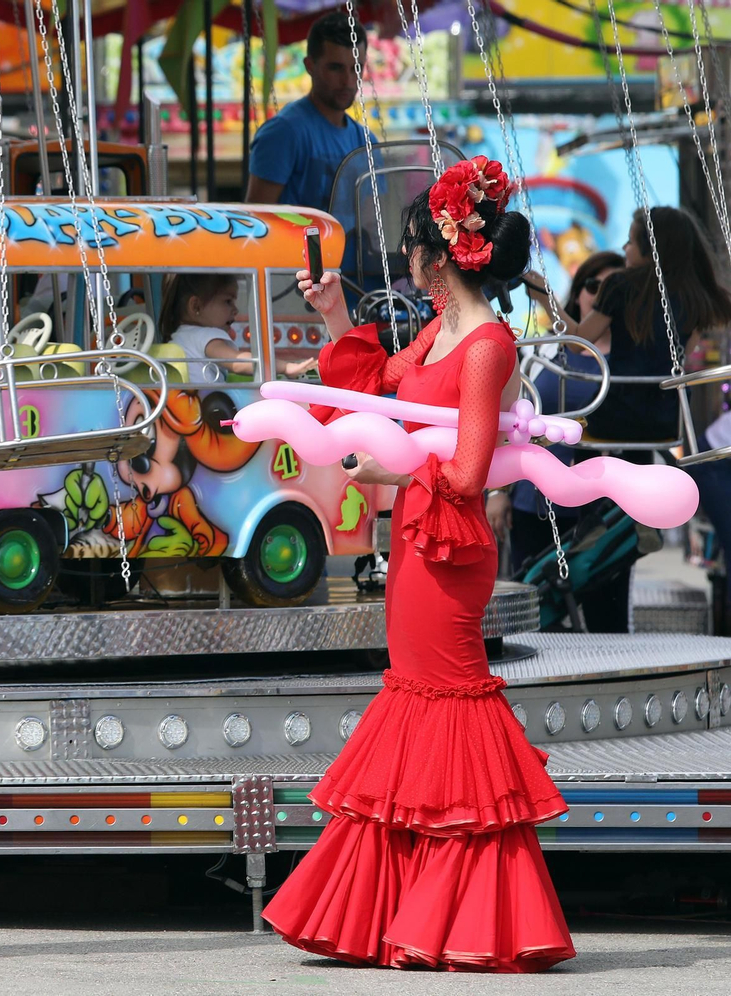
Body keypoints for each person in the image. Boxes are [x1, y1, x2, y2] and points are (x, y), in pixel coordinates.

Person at [262, 157, 575, 971]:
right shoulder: (440, 332)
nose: (404, 263)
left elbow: (468, 472)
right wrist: (334, 314)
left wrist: (391, 474)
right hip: (416, 535)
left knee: (446, 708)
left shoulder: (486, 347)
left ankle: (467, 915)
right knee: (417, 706)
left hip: (448, 539)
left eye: (409, 250)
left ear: (439, 257)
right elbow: (374, 390)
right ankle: (405, 914)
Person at [524, 209, 731, 629]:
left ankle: (596, 527)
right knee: (630, 485)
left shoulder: (620, 286)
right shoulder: (693, 293)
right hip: (662, 421)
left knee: (583, 453)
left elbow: (581, 342)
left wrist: (544, 298)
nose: (624, 249)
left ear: (651, 247)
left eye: (631, 242)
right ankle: (633, 525)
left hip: (613, 418)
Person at [490, 250, 622, 574]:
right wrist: (497, 491)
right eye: (593, 285)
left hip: (605, 509)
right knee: (535, 602)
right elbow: (512, 416)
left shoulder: (633, 358)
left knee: (607, 616)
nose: (600, 296)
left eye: (614, 288)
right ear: (577, 292)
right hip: (533, 501)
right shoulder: (547, 346)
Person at [245, 13, 375, 274]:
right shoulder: (283, 133)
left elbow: (373, 223)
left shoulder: (366, 140)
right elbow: (256, 224)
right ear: (310, 65)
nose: (348, 81)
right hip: (296, 286)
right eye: (336, 67)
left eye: (356, 68)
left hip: (357, 284)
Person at [160, 273, 317, 382]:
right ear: (196, 306)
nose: (235, 310)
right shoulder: (206, 336)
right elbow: (238, 362)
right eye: (228, 301)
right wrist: (286, 366)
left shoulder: (179, 336)